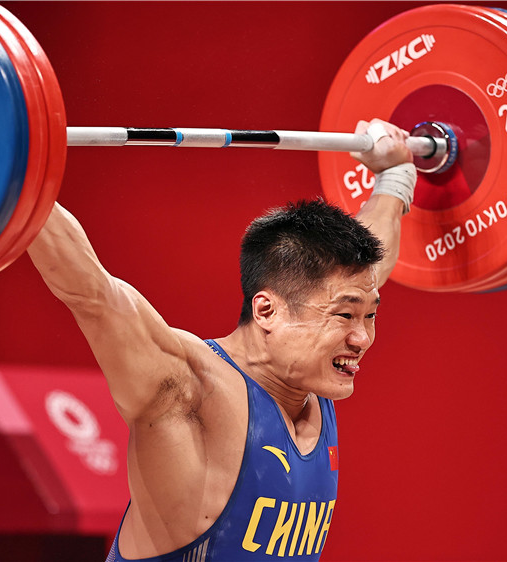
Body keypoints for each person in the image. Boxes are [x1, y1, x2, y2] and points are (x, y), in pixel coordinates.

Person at [27, 118, 415, 561]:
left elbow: (371, 267)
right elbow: (93, 294)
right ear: (267, 311)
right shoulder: (188, 388)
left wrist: (395, 177)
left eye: (369, 315)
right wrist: (14, 172)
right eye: (346, 315)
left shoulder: (313, 357)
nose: (362, 336)